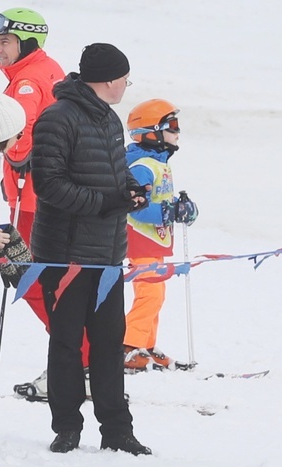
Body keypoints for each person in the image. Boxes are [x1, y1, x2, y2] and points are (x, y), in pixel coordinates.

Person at [30, 43, 151, 455]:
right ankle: (67, 427)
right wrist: (104, 204)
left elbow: (112, 174)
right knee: (65, 343)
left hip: (107, 253)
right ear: (110, 79)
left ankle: (117, 429)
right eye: (125, 79)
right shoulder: (57, 117)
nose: (125, 86)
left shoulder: (109, 120)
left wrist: (130, 191)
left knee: (108, 343)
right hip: (66, 254)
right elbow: (49, 185)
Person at [0, 8, 66, 335]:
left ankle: (77, 359)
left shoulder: (28, 80)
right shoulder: (48, 68)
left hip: (31, 195)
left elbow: (21, 129)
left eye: (4, 41)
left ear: (28, 42)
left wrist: (10, 154)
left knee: (28, 276)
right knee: (54, 278)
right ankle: (81, 358)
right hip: (48, 194)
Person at [123, 99, 198, 372]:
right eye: (172, 126)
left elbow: (162, 200)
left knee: (156, 293)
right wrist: (169, 213)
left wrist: (183, 209)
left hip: (155, 243)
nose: (178, 132)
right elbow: (136, 209)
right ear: (151, 132)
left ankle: (146, 345)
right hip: (140, 242)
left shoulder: (158, 163)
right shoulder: (141, 166)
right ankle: (129, 347)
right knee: (150, 294)